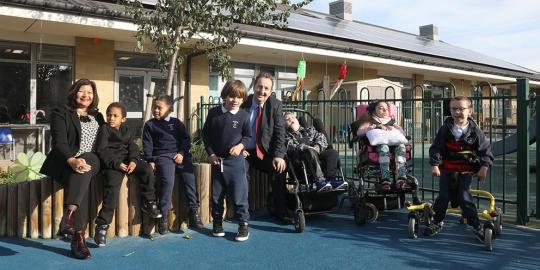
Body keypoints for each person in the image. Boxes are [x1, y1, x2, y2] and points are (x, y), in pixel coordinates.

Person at [40, 79, 104, 259]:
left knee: (88, 160)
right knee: (80, 172)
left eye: (90, 92)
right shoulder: (62, 112)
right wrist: (72, 160)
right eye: (82, 91)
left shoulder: (98, 116)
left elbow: (105, 142)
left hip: (93, 160)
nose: (86, 95)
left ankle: (69, 217)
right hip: (67, 162)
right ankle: (78, 237)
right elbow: (59, 141)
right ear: (74, 93)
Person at [424, 96, 493, 243]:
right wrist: (435, 164)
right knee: (443, 196)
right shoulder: (445, 129)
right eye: (453, 109)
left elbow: (485, 149)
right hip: (448, 167)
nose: (457, 112)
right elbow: (436, 148)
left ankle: (476, 226)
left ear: (470, 111)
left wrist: (484, 167)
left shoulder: (475, 131)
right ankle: (437, 221)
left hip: (466, 168)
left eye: (461, 109)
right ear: (450, 111)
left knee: (464, 196)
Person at [93, 102, 162, 246]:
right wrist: (117, 164)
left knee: (147, 169)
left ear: (123, 119)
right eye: (109, 115)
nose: (111, 118)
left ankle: (149, 202)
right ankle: (102, 226)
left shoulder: (126, 130)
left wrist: (134, 161)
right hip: (113, 165)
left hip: (127, 162)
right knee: (112, 189)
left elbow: (133, 147)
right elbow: (102, 151)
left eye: (115, 116)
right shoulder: (104, 129)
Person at [142, 95, 203, 235]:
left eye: (159, 107)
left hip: (180, 155)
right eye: (154, 107)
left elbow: (185, 140)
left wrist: (182, 153)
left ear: (170, 109)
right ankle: (163, 216)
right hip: (162, 156)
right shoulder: (150, 125)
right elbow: (147, 144)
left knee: (190, 180)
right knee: (167, 182)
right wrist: (150, 159)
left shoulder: (177, 123)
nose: (156, 110)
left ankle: (194, 211)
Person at [202, 80, 251, 241]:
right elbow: (206, 135)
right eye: (231, 96)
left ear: (243, 99)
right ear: (224, 96)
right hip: (217, 162)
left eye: (239, 97)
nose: (235, 100)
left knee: (239, 195)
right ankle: (217, 222)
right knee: (217, 195)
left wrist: (240, 147)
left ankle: (243, 225)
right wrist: (210, 153)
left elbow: (248, 136)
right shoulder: (214, 113)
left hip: (236, 163)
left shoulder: (244, 116)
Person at [240, 73, 287, 223]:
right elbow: (233, 129)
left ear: (271, 90)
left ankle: (281, 212)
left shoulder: (275, 105)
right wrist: (239, 148)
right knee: (241, 171)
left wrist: (278, 155)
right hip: (245, 151)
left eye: (266, 88)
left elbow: (280, 132)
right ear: (254, 86)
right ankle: (243, 213)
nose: (262, 91)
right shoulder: (242, 103)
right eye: (260, 87)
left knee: (279, 170)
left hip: (265, 152)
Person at [283, 112, 347, 192]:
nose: (291, 120)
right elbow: (291, 146)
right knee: (309, 151)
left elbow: (321, 137)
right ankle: (320, 181)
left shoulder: (309, 130)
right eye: (287, 119)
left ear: (297, 120)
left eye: (293, 117)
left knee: (332, 153)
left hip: (316, 155)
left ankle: (331, 179)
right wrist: (307, 147)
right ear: (284, 124)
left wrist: (317, 146)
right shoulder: (285, 135)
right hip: (301, 161)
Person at [356, 100, 408, 191]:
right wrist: (374, 127)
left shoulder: (392, 122)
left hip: (394, 145)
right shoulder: (370, 121)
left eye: (387, 109)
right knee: (384, 148)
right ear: (374, 111)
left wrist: (393, 129)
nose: (384, 111)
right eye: (381, 108)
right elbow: (359, 132)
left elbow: (403, 133)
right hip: (378, 147)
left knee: (401, 146)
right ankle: (386, 179)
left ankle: (401, 178)